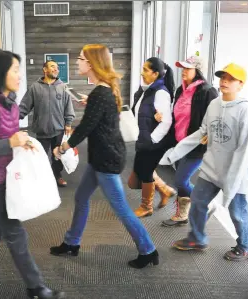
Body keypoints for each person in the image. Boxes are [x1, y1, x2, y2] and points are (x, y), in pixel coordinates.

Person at [50, 44, 159, 269]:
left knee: (120, 207)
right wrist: (90, 104)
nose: (77, 62)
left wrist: (63, 148)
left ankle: (148, 250)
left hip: (106, 159)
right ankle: (72, 243)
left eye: (80, 59)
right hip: (102, 156)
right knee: (81, 198)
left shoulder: (101, 92)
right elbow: (101, 116)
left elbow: (85, 128)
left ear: (91, 63)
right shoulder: (102, 90)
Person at [0, 49, 65, 299]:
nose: (19, 75)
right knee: (14, 231)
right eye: (14, 70)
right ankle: (36, 288)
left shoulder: (8, 103)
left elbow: (6, 136)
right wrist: (10, 143)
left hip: (6, 176)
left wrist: (23, 142)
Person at [170, 63, 248, 261]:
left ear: (240, 84)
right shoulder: (214, 104)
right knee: (198, 203)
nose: (225, 81)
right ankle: (197, 238)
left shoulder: (245, 111)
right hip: (211, 167)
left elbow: (244, 148)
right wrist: (175, 152)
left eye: (231, 78)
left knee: (237, 212)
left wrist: (232, 181)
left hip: (234, 171)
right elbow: (204, 130)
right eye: (223, 77)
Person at [158, 56, 218, 227]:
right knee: (180, 180)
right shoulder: (180, 90)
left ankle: (205, 204)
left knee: (180, 180)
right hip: (179, 143)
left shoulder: (207, 91)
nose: (183, 71)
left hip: (196, 145)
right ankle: (182, 213)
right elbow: (176, 116)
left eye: (188, 68)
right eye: (182, 68)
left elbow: (214, 119)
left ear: (197, 71)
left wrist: (210, 137)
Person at [129, 57, 175, 218]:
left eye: (146, 70)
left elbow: (166, 121)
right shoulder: (146, 90)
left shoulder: (160, 93)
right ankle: (164, 190)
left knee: (145, 173)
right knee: (136, 178)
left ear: (155, 74)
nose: (142, 73)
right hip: (143, 138)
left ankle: (146, 207)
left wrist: (151, 139)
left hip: (152, 142)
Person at [19, 60, 75, 187]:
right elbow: (24, 106)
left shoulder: (63, 87)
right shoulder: (35, 87)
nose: (56, 69)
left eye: (57, 67)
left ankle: (57, 175)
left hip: (59, 129)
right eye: (52, 66)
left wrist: (68, 122)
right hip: (41, 129)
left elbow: (68, 106)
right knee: (41, 156)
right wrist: (11, 118)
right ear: (45, 69)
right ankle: (43, 177)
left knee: (58, 156)